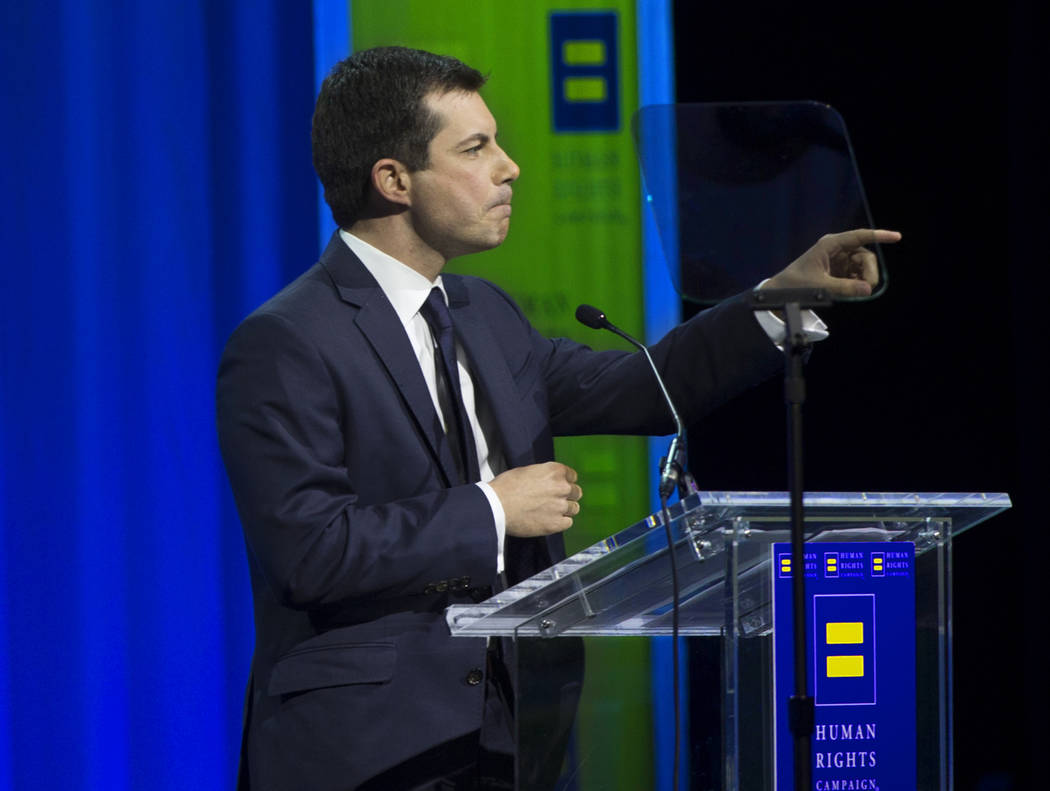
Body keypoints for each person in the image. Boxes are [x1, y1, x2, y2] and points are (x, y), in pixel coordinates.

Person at [216, 46, 899, 791]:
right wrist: (493, 507)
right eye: (476, 148)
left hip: (519, 744)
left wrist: (778, 299)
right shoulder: (286, 340)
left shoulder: (488, 316)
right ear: (393, 179)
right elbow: (311, 549)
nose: (510, 167)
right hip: (372, 753)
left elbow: (644, 386)